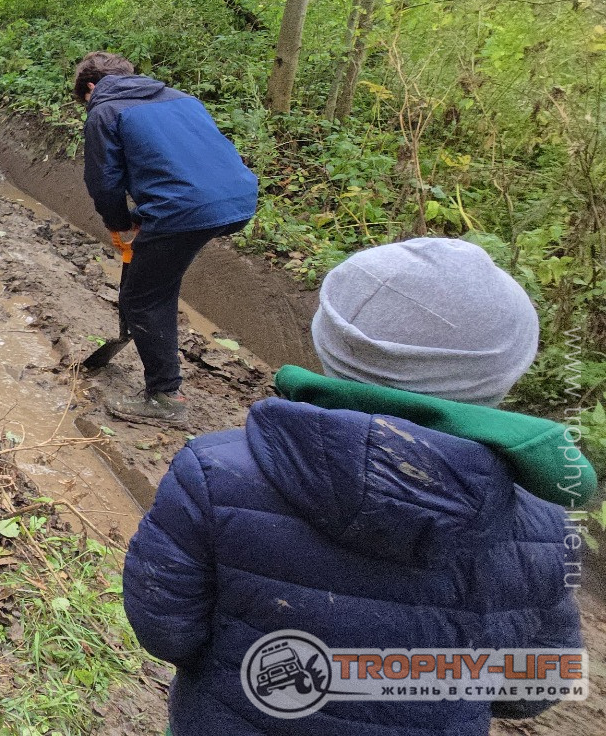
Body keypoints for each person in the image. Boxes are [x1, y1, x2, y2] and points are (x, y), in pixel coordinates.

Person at [124, 237, 592, 734]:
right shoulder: (546, 528)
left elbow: (165, 628)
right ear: (506, 374)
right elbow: (533, 688)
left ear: (329, 341)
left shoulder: (215, 472)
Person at [75, 51, 257, 423]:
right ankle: (159, 351)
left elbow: (105, 183)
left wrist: (119, 225)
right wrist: (140, 218)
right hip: (237, 199)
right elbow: (184, 162)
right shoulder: (182, 99)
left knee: (142, 298)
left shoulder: (105, 111)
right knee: (158, 280)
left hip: (184, 209)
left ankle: (165, 397)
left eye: (84, 100)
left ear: (91, 86)